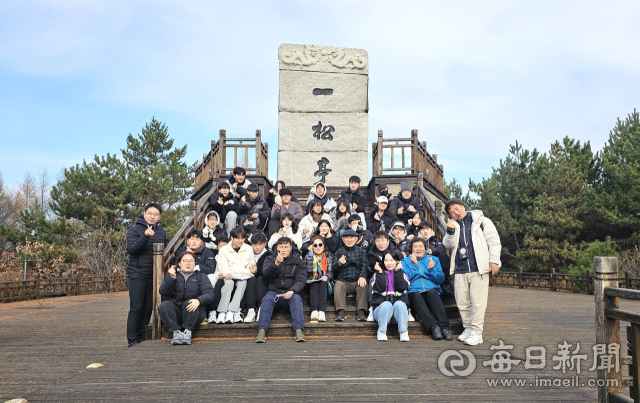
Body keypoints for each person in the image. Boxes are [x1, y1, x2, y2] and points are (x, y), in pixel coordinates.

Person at [443, 199, 501, 346]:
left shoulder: (481, 221)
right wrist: (449, 231)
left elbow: (494, 241)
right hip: (460, 269)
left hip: (478, 267)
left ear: (463, 207)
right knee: (462, 302)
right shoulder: (453, 225)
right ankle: (468, 328)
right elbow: (447, 244)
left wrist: (494, 260)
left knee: (477, 302)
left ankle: (477, 332)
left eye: (457, 208)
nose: (456, 212)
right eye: (452, 212)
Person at [126, 203, 167, 348]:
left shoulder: (161, 232)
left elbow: (165, 254)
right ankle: (132, 339)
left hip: (154, 276)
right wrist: (145, 236)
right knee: (136, 308)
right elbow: (132, 249)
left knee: (148, 308)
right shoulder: (134, 230)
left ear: (159, 217)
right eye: (150, 213)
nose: (152, 216)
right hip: (137, 274)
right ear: (144, 214)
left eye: (156, 214)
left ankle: (142, 337)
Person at [255, 237, 307, 343]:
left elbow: (301, 279)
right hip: (274, 292)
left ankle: (298, 330)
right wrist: (276, 264)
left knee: (296, 299)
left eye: (286, 247)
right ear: (277, 248)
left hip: (290, 292)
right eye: (281, 247)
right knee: (267, 299)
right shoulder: (270, 258)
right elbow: (265, 273)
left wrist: (292, 291)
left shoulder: (299, 262)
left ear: (290, 248)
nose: (283, 249)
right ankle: (262, 330)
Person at [401, 238, 453, 341]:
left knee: (432, 293)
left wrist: (432, 269)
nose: (418, 249)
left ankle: (444, 327)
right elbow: (406, 278)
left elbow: (440, 280)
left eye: (421, 246)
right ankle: (433, 326)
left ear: (425, 249)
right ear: (411, 249)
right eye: (415, 247)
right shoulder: (405, 261)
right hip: (414, 291)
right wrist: (414, 265)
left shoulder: (434, 259)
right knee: (416, 296)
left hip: (432, 290)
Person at [158, 251, 214, 345]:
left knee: (190, 302)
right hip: (177, 314)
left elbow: (210, 294)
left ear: (195, 263)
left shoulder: (202, 276)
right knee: (164, 305)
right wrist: (171, 278)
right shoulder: (173, 275)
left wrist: (199, 300)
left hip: (194, 313)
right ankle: (176, 333)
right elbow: (163, 292)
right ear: (179, 263)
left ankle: (188, 332)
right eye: (185, 261)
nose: (188, 263)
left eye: (191, 261)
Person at [210, 228, 254, 324]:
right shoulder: (224, 250)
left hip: (242, 276)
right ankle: (222, 312)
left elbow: (250, 264)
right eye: (237, 238)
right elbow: (223, 266)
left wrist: (251, 268)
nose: (240, 241)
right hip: (229, 275)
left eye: (242, 238)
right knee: (229, 283)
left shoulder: (248, 248)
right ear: (231, 238)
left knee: (243, 283)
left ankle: (231, 311)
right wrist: (228, 273)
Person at [371, 250, 411, 341]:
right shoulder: (377, 275)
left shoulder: (403, 275)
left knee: (400, 304)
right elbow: (380, 289)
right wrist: (380, 272)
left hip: (398, 316)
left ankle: (403, 332)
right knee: (387, 304)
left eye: (392, 260)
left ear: (397, 261)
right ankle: (381, 331)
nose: (389, 263)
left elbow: (401, 287)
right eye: (386, 260)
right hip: (382, 314)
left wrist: (397, 272)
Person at [332, 229, 369, 321]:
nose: (349, 240)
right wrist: (339, 263)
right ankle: (341, 311)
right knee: (338, 284)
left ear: (356, 239)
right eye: (346, 238)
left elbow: (365, 266)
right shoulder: (339, 252)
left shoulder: (362, 251)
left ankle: (361, 311)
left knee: (363, 284)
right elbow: (333, 269)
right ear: (343, 239)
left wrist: (362, 276)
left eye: (351, 237)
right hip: (343, 281)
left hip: (357, 281)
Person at [242, 232, 272, 322]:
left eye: (260, 244)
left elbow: (268, 272)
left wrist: (257, 271)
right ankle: (251, 309)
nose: (257, 247)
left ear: (265, 244)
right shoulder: (247, 253)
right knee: (252, 279)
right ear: (252, 244)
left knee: (260, 279)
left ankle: (261, 308)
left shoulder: (269, 255)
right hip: (249, 283)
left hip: (264, 284)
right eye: (255, 244)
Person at [417, 221, 453, 295]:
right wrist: (420, 241)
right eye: (423, 230)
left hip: (435, 260)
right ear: (419, 231)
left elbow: (441, 248)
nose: (425, 231)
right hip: (422, 262)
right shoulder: (416, 240)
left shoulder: (436, 239)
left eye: (428, 229)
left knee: (443, 256)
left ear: (431, 230)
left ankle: (445, 283)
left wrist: (432, 250)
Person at [305, 235, 333, 322]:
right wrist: (310, 254)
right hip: (310, 282)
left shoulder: (328, 256)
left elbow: (331, 272)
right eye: (315, 245)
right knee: (314, 283)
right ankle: (314, 311)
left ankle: (321, 311)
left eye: (320, 245)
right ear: (311, 246)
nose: (318, 247)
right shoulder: (307, 256)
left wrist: (326, 276)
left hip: (324, 283)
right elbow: (308, 271)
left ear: (324, 246)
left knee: (322, 282)